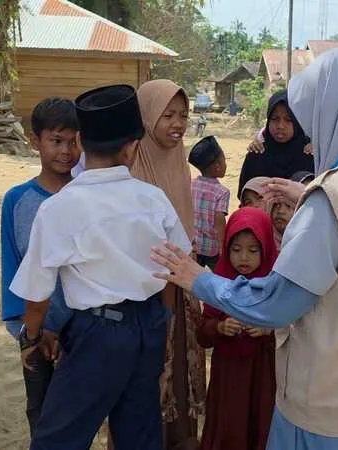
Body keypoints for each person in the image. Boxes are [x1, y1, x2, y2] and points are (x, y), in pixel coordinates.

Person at [152, 48, 338, 449]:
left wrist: (201, 279)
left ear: (332, 112)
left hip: (333, 407)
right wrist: (309, 196)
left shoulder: (333, 197)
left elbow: (277, 305)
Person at [10, 85, 191, 449]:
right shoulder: (153, 199)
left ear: (81, 141)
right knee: (139, 432)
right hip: (148, 325)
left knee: (60, 436)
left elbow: (37, 295)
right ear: (131, 146)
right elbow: (177, 268)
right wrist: (164, 325)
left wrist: (31, 338)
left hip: (98, 333)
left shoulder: (62, 207)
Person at [131, 79, 206, 450]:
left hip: (180, 287)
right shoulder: (131, 166)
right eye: (168, 115)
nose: (178, 124)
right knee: (148, 379)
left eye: (184, 116)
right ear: (146, 117)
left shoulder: (181, 165)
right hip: (144, 294)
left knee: (179, 375)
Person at [0, 97, 79, 436]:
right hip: (34, 330)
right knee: (41, 412)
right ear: (35, 141)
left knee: (76, 413)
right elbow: (14, 265)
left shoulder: (87, 196)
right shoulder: (17, 200)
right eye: (56, 141)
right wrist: (27, 330)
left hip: (83, 329)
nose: (66, 151)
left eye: (74, 141)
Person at [196, 207, 278, 450]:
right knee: (230, 426)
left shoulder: (275, 285)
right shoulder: (220, 281)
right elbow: (202, 333)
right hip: (228, 375)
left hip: (264, 374)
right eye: (236, 250)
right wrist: (220, 327)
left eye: (253, 251)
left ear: (266, 249)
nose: (244, 258)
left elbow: (293, 328)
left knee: (261, 424)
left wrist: (269, 330)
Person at [238, 90, 314, 193]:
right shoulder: (257, 155)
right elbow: (245, 197)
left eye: (288, 120)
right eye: (275, 119)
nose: (280, 126)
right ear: (268, 120)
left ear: (298, 122)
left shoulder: (309, 155)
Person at [188, 136, 229, 270]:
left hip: (194, 246)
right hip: (212, 249)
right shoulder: (222, 192)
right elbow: (219, 223)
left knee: (194, 277)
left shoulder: (190, 185)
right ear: (217, 166)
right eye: (224, 160)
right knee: (219, 276)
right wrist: (223, 248)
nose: (225, 164)